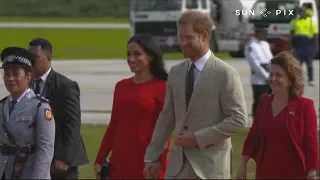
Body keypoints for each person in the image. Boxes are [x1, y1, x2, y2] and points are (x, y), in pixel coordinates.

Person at [144, 11, 248, 179]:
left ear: (204, 36)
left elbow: (238, 119)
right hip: (177, 167)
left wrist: (199, 138)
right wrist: (152, 156)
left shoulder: (225, 73)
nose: (182, 43)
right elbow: (167, 118)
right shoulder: (176, 72)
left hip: (210, 169)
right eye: (180, 37)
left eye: (188, 37)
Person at [94, 34, 171, 179]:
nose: (131, 59)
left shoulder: (163, 87)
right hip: (120, 162)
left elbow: (166, 130)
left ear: (151, 56)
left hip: (147, 163)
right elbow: (113, 126)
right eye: (128, 54)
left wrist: (158, 161)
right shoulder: (121, 86)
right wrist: (100, 159)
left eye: (137, 54)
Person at [237, 51, 319, 179]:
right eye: (271, 74)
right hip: (265, 171)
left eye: (279, 75)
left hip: (295, 172)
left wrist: (312, 170)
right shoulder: (264, 101)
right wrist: (243, 165)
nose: (273, 79)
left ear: (291, 79)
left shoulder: (305, 106)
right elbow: (253, 136)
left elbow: (311, 141)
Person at [28, 38, 89, 179]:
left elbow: (72, 124)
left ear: (48, 58)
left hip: (59, 161)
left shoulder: (65, 86)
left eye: (35, 57)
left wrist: (64, 158)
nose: (30, 61)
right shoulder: (26, 83)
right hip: (35, 158)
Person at [0, 47, 55, 179]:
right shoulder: (2, 106)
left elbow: (45, 150)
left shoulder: (40, 107)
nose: (10, 78)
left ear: (28, 76)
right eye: (7, 74)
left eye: (15, 73)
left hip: (28, 173)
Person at [244, 28, 272, 117]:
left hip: (271, 76)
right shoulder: (251, 46)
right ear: (257, 33)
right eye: (264, 33)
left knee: (270, 102)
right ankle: (257, 124)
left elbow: (271, 60)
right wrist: (266, 77)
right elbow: (255, 64)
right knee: (260, 102)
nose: (266, 35)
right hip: (259, 79)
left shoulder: (265, 44)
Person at [290, 6, 318, 86]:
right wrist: (291, 46)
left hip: (308, 45)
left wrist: (315, 47)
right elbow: (291, 34)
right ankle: (297, 80)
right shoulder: (294, 21)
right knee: (297, 64)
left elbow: (315, 36)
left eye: (302, 11)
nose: (301, 12)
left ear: (305, 12)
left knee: (309, 64)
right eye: (300, 11)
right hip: (298, 45)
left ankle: (311, 80)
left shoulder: (311, 22)